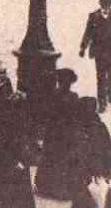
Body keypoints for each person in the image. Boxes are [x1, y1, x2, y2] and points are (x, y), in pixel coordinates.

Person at [69, 96, 111, 208]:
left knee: (86, 191)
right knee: (99, 192)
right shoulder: (99, 126)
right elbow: (108, 148)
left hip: (86, 167)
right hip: (97, 166)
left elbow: (74, 148)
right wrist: (109, 166)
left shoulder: (79, 127)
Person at [34, 69, 85, 200]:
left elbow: (46, 114)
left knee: (51, 158)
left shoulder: (53, 95)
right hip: (67, 133)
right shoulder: (73, 97)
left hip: (54, 132)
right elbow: (76, 116)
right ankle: (61, 188)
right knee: (63, 159)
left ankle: (46, 186)